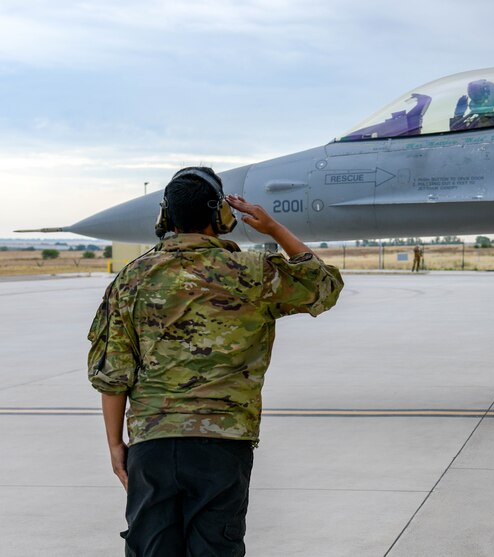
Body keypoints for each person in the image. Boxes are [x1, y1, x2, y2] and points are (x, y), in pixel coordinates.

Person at [87, 167, 343, 556]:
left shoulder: (131, 278)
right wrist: (274, 229)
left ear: (164, 217)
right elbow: (323, 287)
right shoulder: (254, 272)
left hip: (152, 443)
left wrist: (115, 445)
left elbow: (113, 374)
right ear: (222, 217)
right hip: (222, 443)